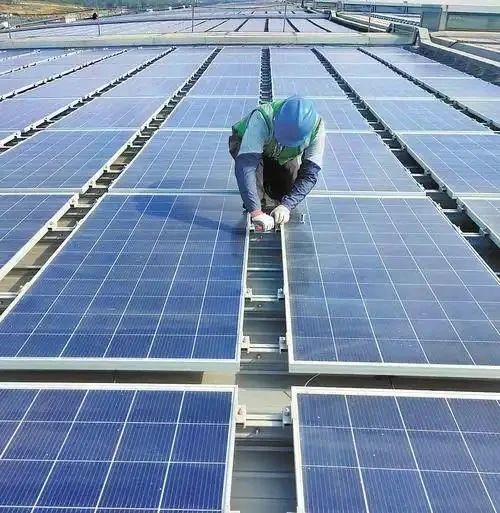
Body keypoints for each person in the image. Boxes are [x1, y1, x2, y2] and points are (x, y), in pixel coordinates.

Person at [229, 96, 325, 232]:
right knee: (255, 197)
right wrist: (256, 212)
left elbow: (310, 174)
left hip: (283, 154)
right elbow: (246, 166)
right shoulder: (262, 118)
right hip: (246, 144)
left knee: (287, 192)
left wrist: (286, 206)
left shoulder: (316, 129)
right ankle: (257, 202)